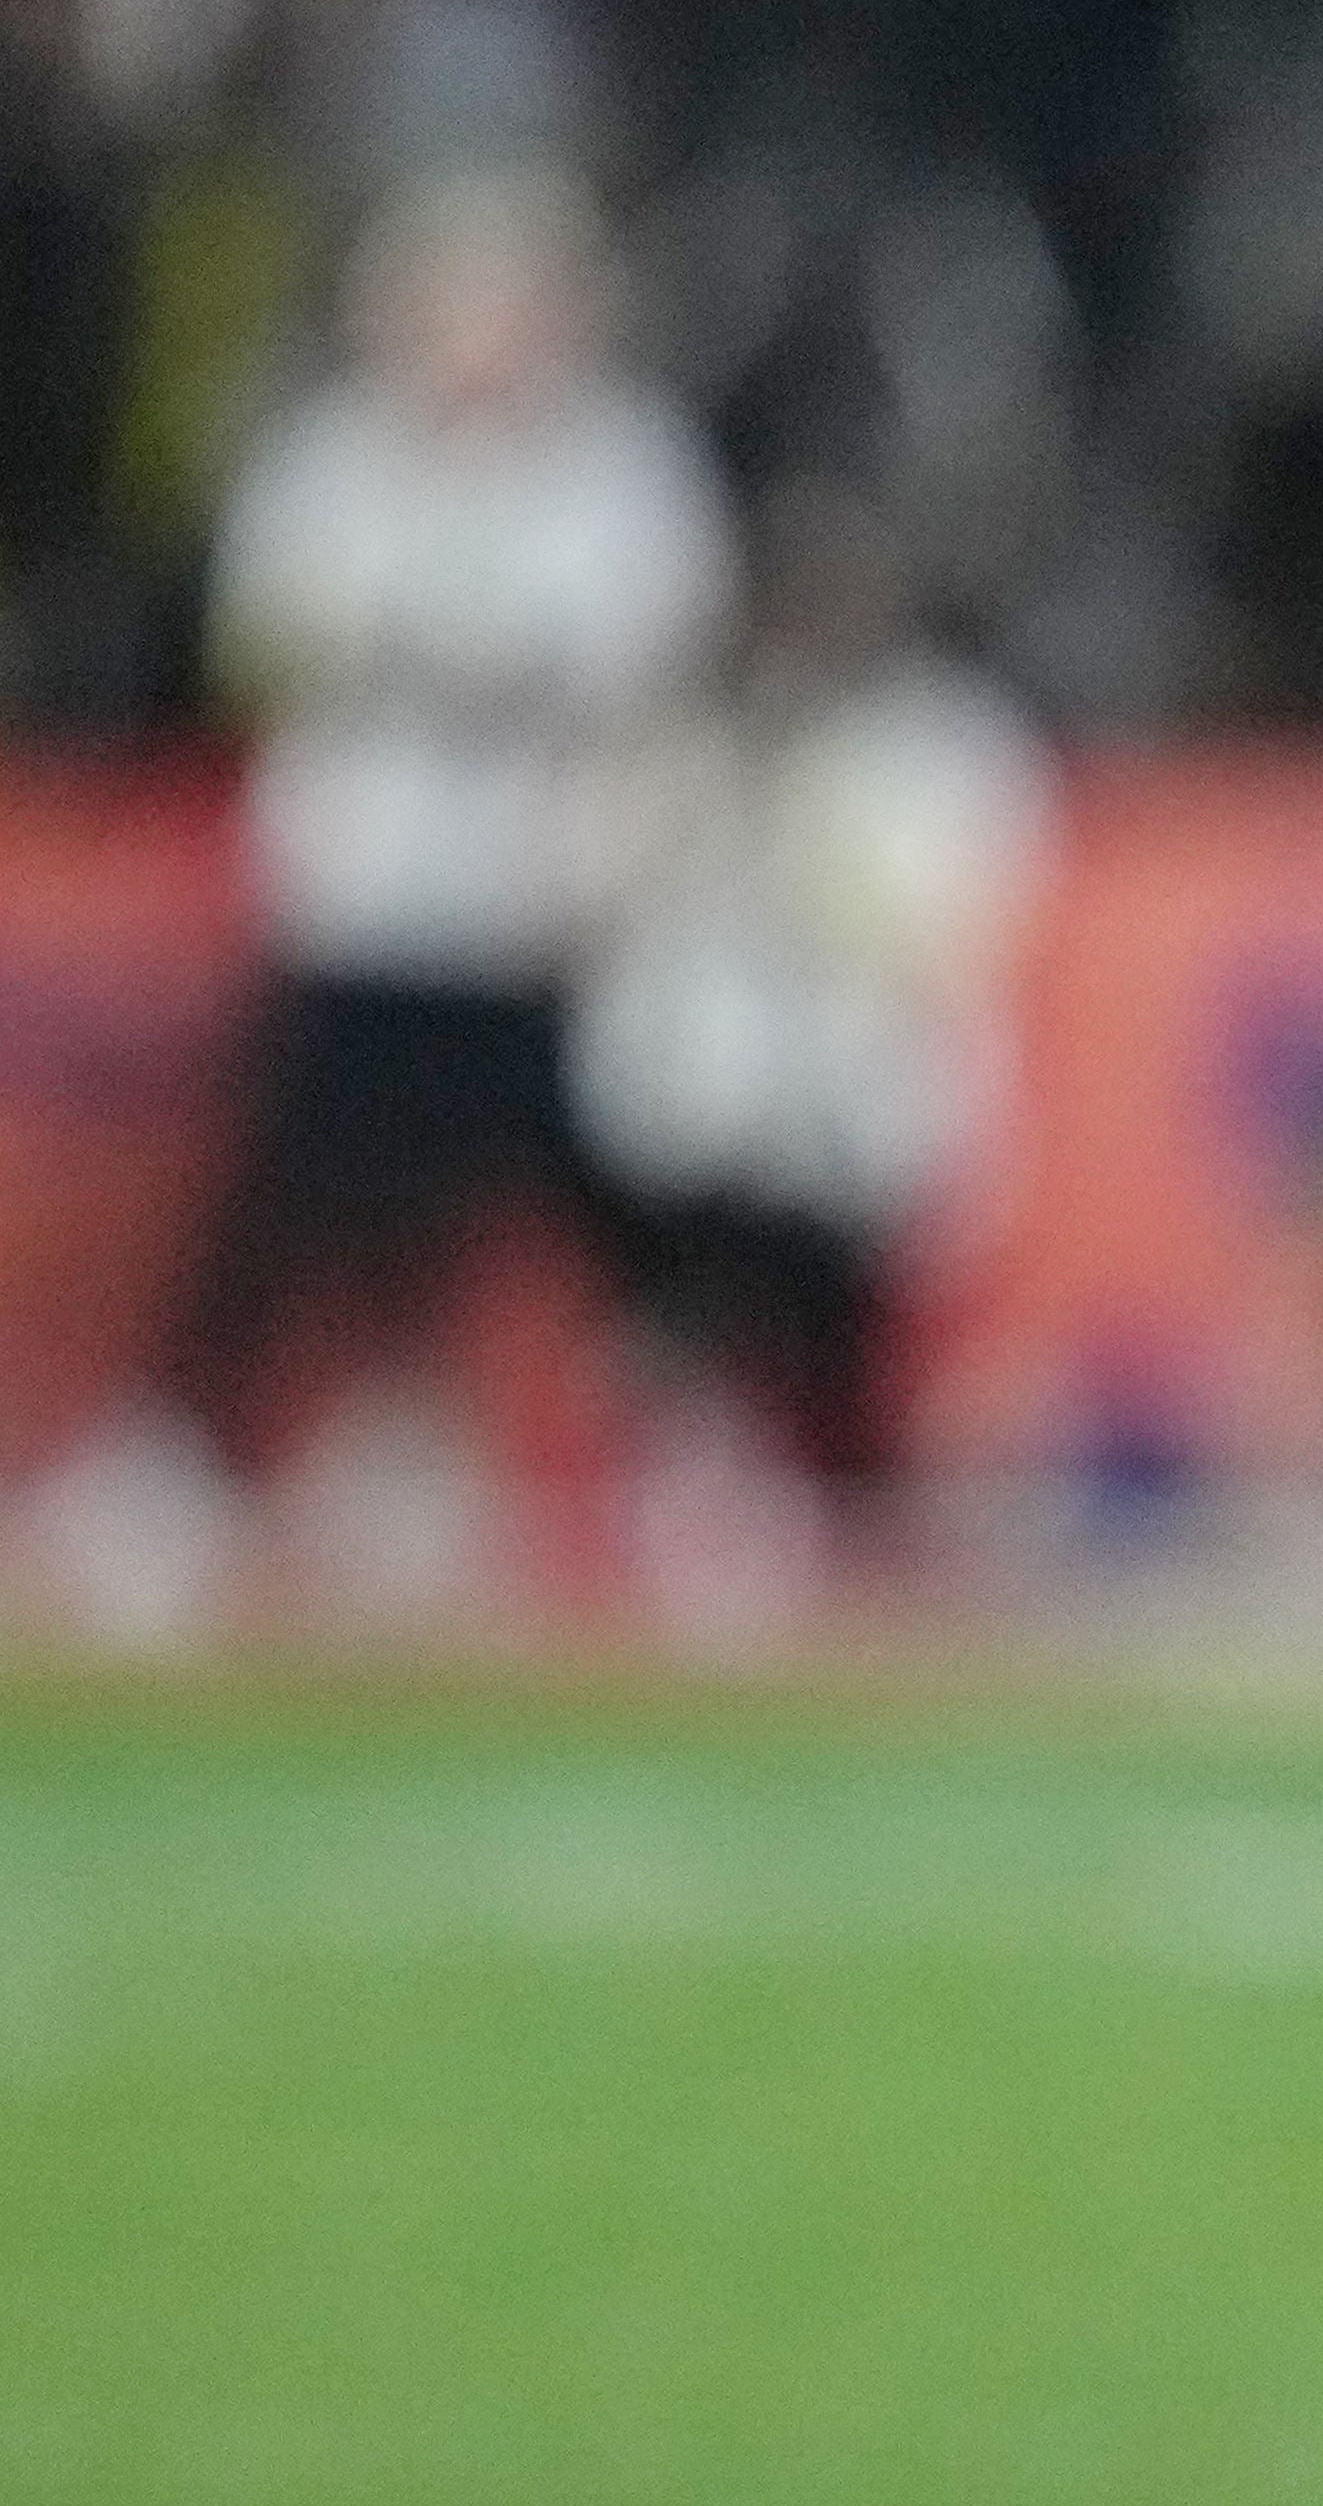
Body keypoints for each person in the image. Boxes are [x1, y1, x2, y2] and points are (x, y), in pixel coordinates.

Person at [28, 161, 729, 1641]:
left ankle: (647, 1455)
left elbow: (641, 659)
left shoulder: (618, 471)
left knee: (570, 1204)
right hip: (367, 903)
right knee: (297, 1202)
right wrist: (470, 666)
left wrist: (451, 667)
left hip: (537, 916)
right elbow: (278, 651)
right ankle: (175, 1456)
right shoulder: (332, 465)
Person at [567, 491, 1055, 1621]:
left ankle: (851, 1529)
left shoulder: (945, 746)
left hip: (857, 1105)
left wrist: (806, 830)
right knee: (680, 1264)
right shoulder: (680, 737)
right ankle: (698, 1487)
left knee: (840, 1329)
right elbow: (597, 895)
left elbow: (938, 935)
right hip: (705, 1096)